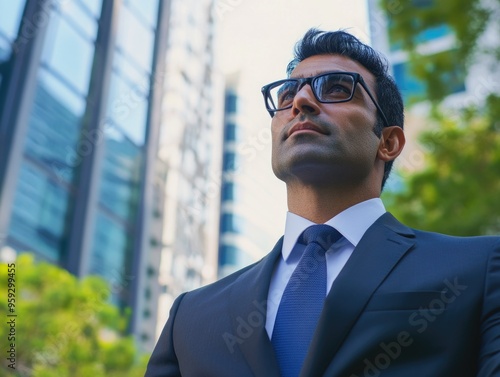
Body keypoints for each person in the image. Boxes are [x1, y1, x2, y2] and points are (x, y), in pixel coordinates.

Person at [145, 29, 500, 377]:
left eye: (336, 88)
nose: (301, 101)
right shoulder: (190, 317)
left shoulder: (481, 269)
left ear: (388, 142)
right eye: (287, 95)